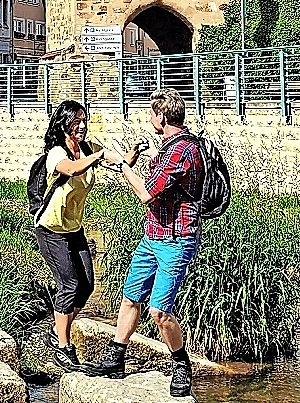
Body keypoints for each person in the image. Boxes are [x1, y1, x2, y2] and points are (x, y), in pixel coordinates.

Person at [86, 88, 204, 398]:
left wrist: (123, 166)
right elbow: (159, 182)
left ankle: (182, 365)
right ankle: (116, 356)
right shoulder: (168, 147)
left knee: (159, 312)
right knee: (130, 298)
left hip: (177, 239)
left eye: (152, 113)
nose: (149, 118)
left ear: (162, 117)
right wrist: (140, 158)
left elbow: (147, 193)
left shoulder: (183, 151)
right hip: (153, 235)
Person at [34, 99, 141, 372]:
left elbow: (119, 164)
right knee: (69, 284)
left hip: (74, 228)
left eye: (84, 120)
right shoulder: (56, 152)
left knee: (87, 285)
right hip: (51, 228)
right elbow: (71, 169)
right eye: (76, 121)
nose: (82, 126)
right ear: (64, 123)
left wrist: (131, 154)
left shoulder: (86, 148)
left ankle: (59, 333)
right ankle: (63, 346)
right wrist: (97, 156)